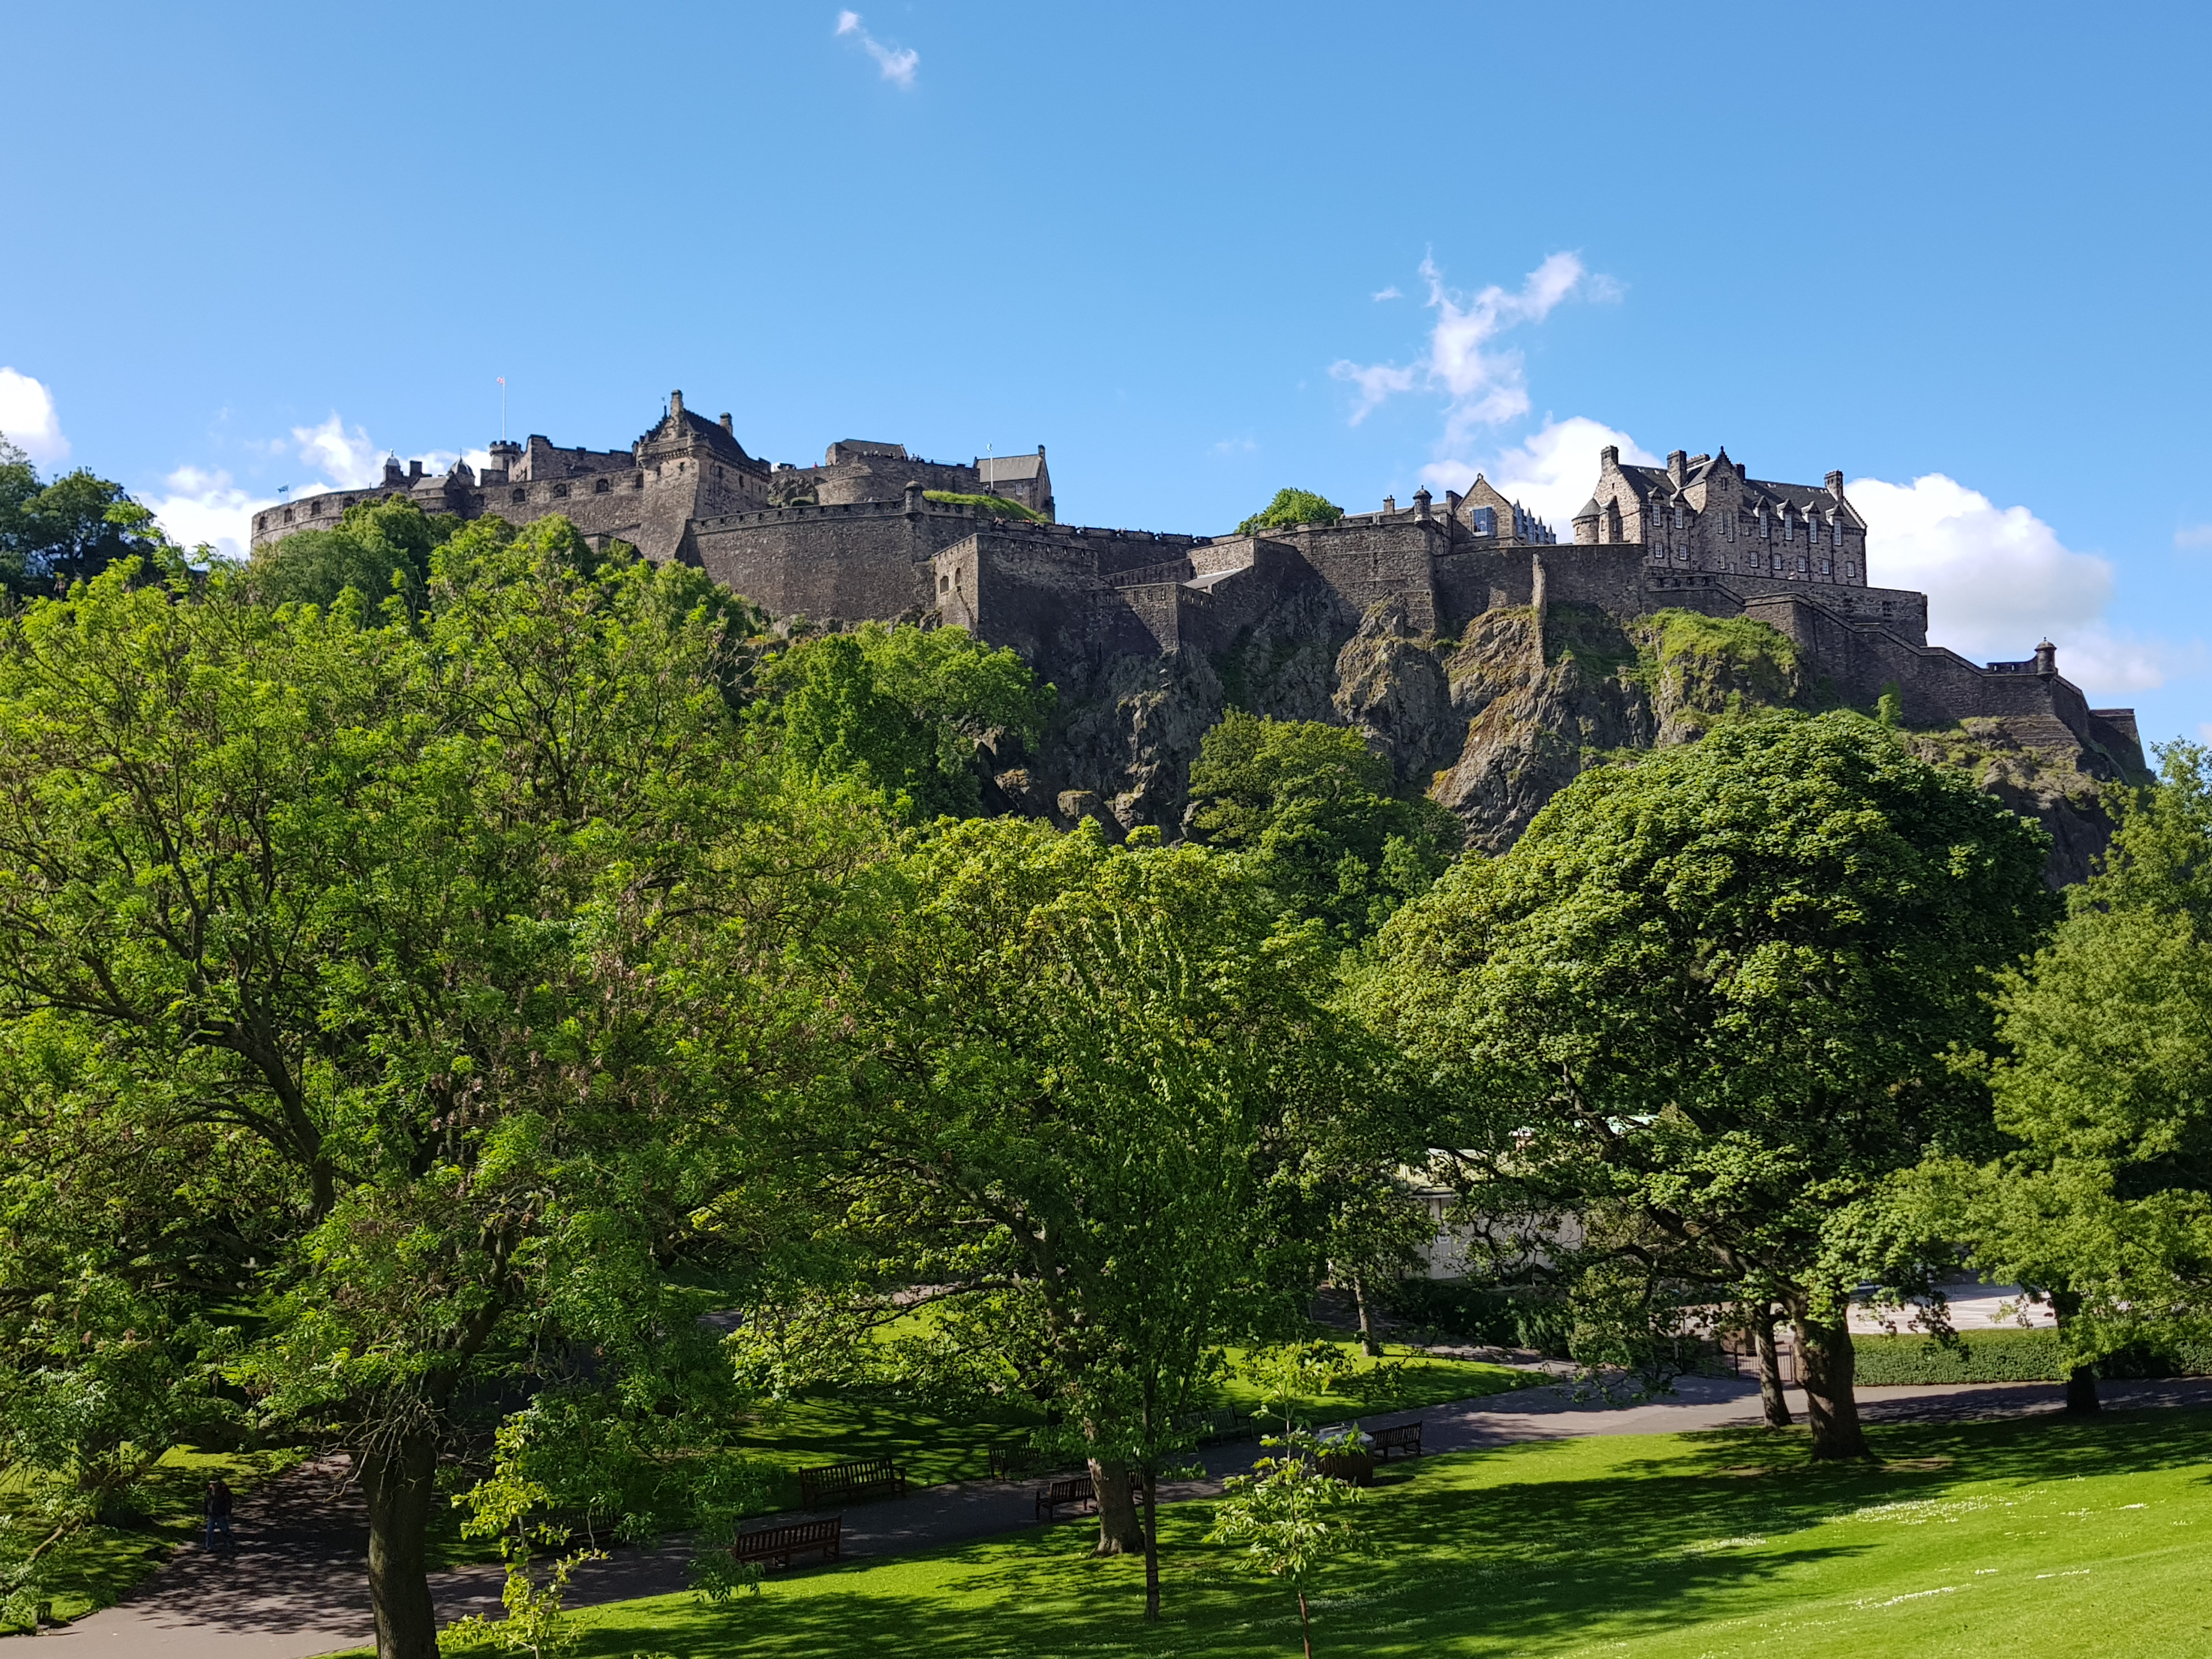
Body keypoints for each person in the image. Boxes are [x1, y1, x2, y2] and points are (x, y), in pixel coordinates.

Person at [204, 1478, 235, 1553]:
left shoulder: (223, 1491)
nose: (213, 1485)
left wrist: (228, 1513)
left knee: (225, 1530)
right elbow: (206, 1501)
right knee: (209, 1531)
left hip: (221, 1514)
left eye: (215, 1484)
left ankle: (231, 1541)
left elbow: (228, 1502)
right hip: (211, 1514)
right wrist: (205, 1512)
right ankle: (209, 1547)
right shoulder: (209, 1490)